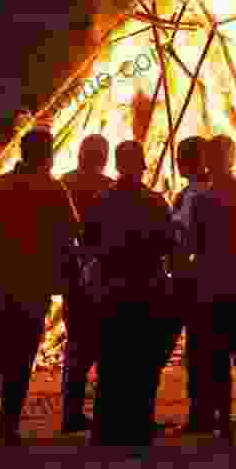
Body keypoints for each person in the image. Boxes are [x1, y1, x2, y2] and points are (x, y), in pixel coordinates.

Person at [0, 129, 79, 447]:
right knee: (21, 354)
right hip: (33, 280)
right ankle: (8, 426)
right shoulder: (53, 188)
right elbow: (71, 230)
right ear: (47, 156)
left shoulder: (1, 184)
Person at [83, 140, 175, 447]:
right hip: (145, 286)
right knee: (143, 361)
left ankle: (106, 428)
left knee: (111, 359)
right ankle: (138, 425)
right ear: (141, 166)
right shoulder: (155, 202)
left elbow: (89, 240)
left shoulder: (102, 200)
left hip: (110, 287)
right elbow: (167, 243)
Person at [190, 135, 236, 439]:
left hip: (213, 276)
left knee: (217, 351)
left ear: (208, 161)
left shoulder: (202, 200)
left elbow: (194, 242)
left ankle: (222, 419)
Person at [59, 134, 114, 433]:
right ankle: (99, 413)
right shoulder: (108, 188)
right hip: (100, 271)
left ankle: (72, 411)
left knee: (76, 346)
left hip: (73, 270)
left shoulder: (64, 183)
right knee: (101, 343)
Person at [171, 136, 211, 433]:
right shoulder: (214, 190)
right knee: (208, 349)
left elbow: (182, 236)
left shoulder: (193, 196)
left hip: (194, 278)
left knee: (200, 348)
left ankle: (201, 414)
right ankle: (211, 414)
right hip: (210, 276)